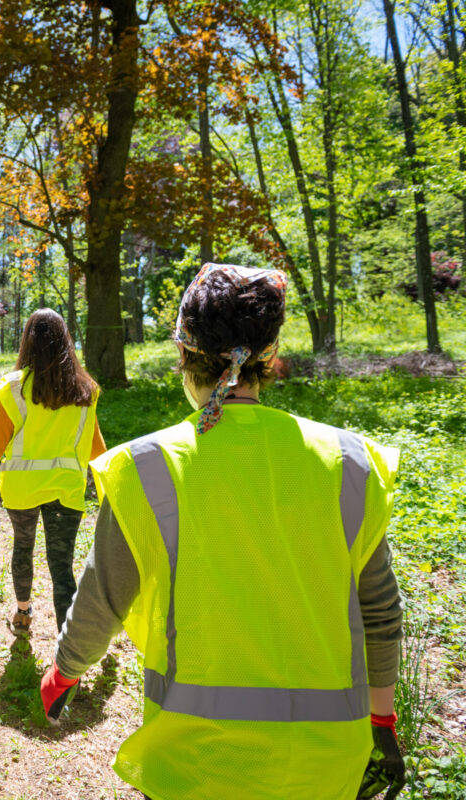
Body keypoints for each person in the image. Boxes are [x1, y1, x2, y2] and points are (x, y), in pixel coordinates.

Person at [39, 264, 406, 800]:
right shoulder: (349, 461)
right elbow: (379, 609)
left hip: (196, 766)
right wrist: (382, 720)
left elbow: (104, 595)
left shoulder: (148, 466)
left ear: (185, 355)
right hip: (324, 766)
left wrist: (64, 671)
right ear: (270, 358)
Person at [0, 308, 105, 637]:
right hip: (66, 490)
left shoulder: (14, 390)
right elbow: (98, 450)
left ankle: (23, 614)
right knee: (62, 566)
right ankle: (69, 650)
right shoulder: (85, 392)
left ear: (27, 342)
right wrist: (113, 493)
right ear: (66, 340)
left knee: (23, 548)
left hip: (22, 489)